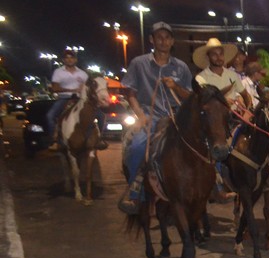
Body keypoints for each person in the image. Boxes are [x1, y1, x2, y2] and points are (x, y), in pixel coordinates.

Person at [117, 22, 194, 215]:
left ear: (172, 41)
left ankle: (213, 186)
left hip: (175, 118)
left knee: (203, 144)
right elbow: (131, 93)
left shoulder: (181, 67)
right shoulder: (139, 63)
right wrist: (140, 116)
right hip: (149, 118)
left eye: (167, 37)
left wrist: (175, 87)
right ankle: (136, 193)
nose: (163, 41)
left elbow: (189, 96)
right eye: (159, 37)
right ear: (152, 39)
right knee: (137, 147)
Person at [48, 49, 107, 150]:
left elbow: (90, 87)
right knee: (50, 116)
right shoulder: (58, 72)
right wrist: (72, 89)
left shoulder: (82, 73)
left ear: (75, 60)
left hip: (81, 98)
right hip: (65, 98)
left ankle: (99, 138)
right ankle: (55, 139)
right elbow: (55, 88)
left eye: (72, 58)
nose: (69, 60)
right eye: (67, 58)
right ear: (63, 60)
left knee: (101, 116)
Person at [193, 37, 245, 111]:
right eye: (214, 54)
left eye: (221, 54)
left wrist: (246, 109)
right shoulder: (201, 78)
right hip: (213, 119)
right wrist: (223, 102)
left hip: (234, 117)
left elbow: (245, 95)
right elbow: (202, 102)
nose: (219, 57)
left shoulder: (232, 75)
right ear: (208, 57)